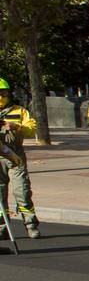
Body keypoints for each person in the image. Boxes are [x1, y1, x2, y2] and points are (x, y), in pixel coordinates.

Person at [0, 77, 40, 240]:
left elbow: (32, 130)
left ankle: (31, 225)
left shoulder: (20, 111)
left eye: (3, 93)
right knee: (0, 194)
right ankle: (2, 227)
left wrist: (17, 127)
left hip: (16, 156)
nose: (1, 97)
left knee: (22, 191)